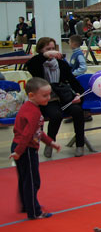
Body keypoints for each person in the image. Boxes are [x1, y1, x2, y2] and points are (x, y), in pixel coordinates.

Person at [24, 37, 86, 158]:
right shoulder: (37, 64)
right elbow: (30, 65)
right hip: (47, 100)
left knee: (78, 111)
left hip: (64, 98)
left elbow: (74, 82)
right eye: (48, 49)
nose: (52, 51)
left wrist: (79, 95)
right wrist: (45, 56)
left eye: (53, 48)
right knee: (56, 115)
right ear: (41, 51)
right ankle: (50, 143)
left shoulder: (61, 64)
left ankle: (80, 144)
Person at [10, 77, 62, 220]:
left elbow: (36, 132)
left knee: (25, 179)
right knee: (33, 181)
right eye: (45, 95)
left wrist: (50, 142)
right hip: (26, 148)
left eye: (49, 94)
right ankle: (34, 211)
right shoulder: (33, 112)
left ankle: (26, 205)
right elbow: (27, 134)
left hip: (22, 146)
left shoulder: (30, 108)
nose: (49, 98)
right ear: (32, 95)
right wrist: (19, 152)